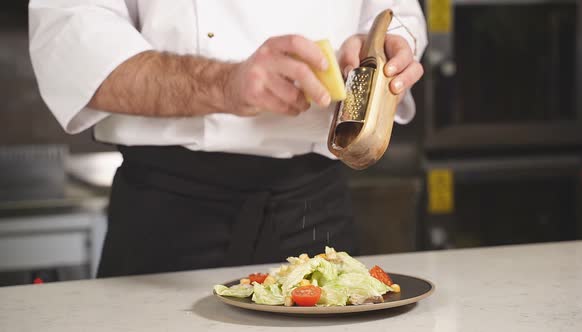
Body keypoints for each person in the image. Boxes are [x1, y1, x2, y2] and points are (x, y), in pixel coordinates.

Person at [29, 0, 427, 278]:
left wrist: (380, 46)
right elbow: (71, 42)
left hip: (316, 206)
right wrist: (223, 84)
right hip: (170, 218)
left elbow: (395, 13)